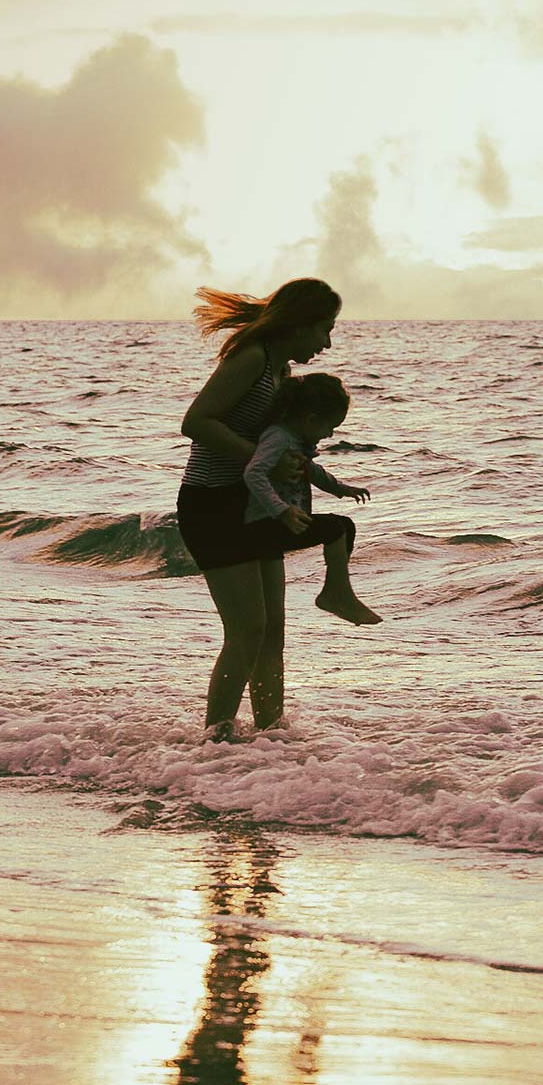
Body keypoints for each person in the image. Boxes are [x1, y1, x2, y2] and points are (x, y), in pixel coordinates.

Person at [177, 277, 351, 742]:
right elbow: (195, 422)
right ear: (299, 324)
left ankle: (270, 737)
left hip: (253, 504)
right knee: (247, 629)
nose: (327, 342)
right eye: (324, 329)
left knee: (273, 629)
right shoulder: (252, 359)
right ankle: (215, 740)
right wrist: (261, 461)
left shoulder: (281, 373)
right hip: (211, 502)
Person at [242, 372, 380, 628]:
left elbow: (313, 471)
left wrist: (342, 489)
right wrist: (281, 510)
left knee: (345, 525)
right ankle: (336, 594)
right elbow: (253, 472)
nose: (329, 435)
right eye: (329, 427)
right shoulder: (278, 437)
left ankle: (336, 589)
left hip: (281, 522)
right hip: (264, 524)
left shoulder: (295, 439)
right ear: (311, 419)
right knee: (333, 529)